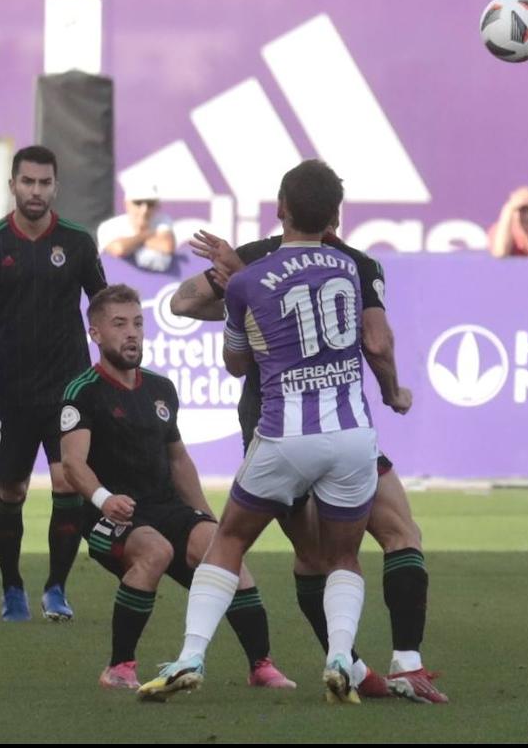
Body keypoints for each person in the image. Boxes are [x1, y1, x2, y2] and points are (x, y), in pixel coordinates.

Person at [139, 159, 413, 705]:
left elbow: (239, 365)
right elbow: (376, 339)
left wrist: (239, 284)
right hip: (353, 433)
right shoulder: (353, 267)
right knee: (342, 557)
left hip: (285, 434)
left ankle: (191, 656)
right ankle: (340, 659)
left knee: (230, 541)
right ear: (335, 215)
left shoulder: (250, 278)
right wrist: (395, 392)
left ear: (280, 209)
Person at [59, 284, 292, 691]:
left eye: (137, 323)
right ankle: (120, 667)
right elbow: (72, 464)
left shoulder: (159, 388)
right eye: (118, 325)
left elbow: (178, 459)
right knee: (156, 551)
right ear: (95, 334)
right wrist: (104, 498)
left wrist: (207, 517)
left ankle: (261, 666)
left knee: (225, 550)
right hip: (108, 515)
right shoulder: (82, 392)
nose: (131, 333)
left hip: (165, 507)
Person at [0, 144, 107, 622]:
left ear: (55, 187)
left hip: (68, 391)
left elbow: (102, 304)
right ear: (13, 185)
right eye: (28, 182)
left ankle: (56, 589)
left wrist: (108, 364)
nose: (36, 191)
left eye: (45, 183)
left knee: (68, 481)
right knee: (12, 490)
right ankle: (12, 589)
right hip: (13, 392)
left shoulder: (79, 242)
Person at [95, 182, 176, 272]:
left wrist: (133, 242)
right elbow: (119, 249)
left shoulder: (163, 220)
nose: (144, 209)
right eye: (138, 203)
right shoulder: (109, 226)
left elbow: (167, 246)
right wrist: (147, 235)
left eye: (150, 204)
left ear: (156, 205)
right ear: (127, 204)